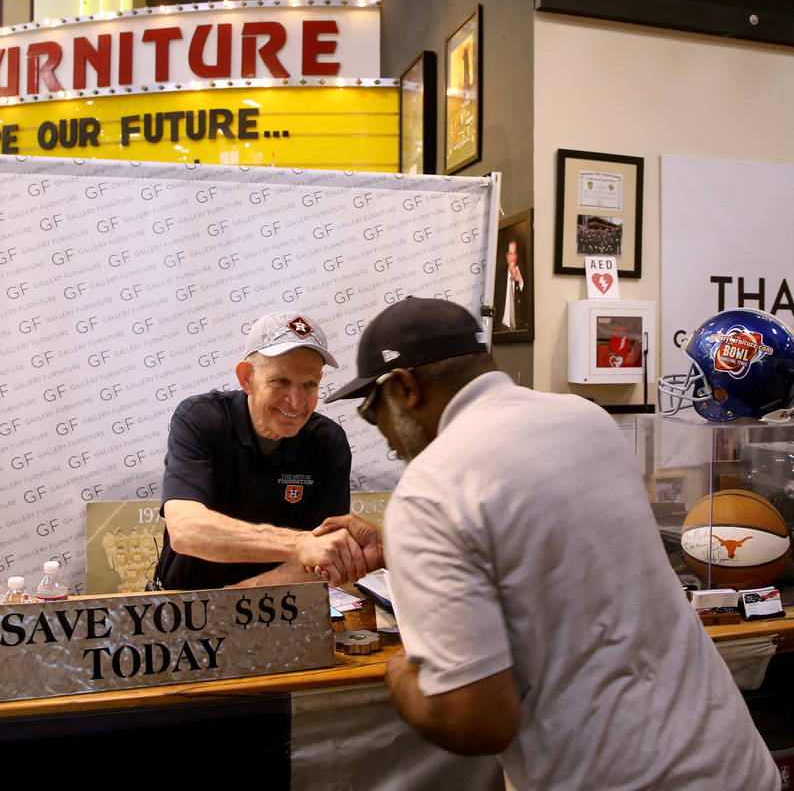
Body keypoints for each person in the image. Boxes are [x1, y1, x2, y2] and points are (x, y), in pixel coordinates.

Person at [325, 297, 779, 790]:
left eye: (373, 411)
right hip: (732, 762)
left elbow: (478, 720)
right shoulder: (585, 420)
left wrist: (403, 678)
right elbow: (539, 553)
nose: (385, 437)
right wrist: (402, 551)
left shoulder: (430, 490)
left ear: (406, 388)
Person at [153, 311, 382, 591]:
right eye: (280, 382)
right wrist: (299, 544)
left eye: (310, 384)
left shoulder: (328, 441)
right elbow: (186, 530)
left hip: (276, 608)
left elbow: (323, 557)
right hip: (185, 607)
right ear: (246, 378)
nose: (296, 402)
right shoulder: (201, 418)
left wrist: (236, 601)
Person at [495, 237, 527, 331]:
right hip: (501, 326)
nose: (512, 257)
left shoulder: (523, 274)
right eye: (510, 254)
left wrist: (520, 281)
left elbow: (527, 305)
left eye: (514, 254)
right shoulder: (499, 274)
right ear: (507, 256)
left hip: (518, 328)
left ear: (517, 255)